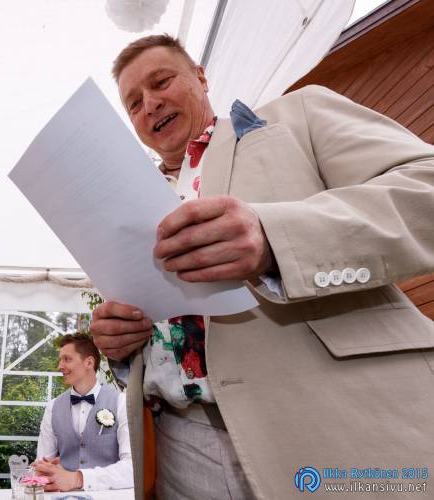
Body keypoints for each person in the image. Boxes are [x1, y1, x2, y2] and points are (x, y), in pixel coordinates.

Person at [90, 34, 434, 499]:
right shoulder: (125, 207)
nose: (149, 104)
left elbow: (426, 189)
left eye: (161, 81)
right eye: (133, 103)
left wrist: (275, 237)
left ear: (201, 78)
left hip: (334, 423)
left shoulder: (298, 114)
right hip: (177, 445)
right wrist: (122, 344)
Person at [33, 333, 132, 492]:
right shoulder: (53, 407)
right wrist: (44, 471)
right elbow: (43, 463)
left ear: (89, 362)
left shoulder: (121, 402)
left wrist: (78, 479)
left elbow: (132, 468)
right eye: (60, 360)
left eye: (67, 359)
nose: (60, 366)